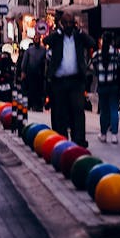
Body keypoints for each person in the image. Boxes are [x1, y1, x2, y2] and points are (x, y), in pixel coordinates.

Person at [45, 11, 95, 147]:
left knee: (77, 109)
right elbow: (46, 40)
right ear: (61, 24)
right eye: (65, 23)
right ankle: (60, 140)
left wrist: (80, 31)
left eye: (70, 23)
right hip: (59, 80)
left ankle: (78, 139)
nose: (68, 26)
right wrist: (58, 32)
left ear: (74, 24)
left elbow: (92, 43)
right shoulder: (57, 37)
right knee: (59, 111)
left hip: (76, 80)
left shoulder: (78, 37)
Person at [89, 31, 120, 144]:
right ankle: (114, 135)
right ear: (112, 41)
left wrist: (99, 72)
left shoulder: (97, 54)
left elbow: (91, 67)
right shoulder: (117, 54)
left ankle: (103, 134)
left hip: (102, 86)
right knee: (114, 109)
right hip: (114, 85)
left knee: (104, 111)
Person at [19, 36, 47, 110]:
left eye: (38, 39)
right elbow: (25, 61)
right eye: (35, 39)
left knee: (39, 90)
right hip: (30, 73)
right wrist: (23, 71)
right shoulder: (29, 50)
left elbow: (46, 62)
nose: (36, 40)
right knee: (31, 90)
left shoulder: (43, 50)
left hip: (40, 74)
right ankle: (30, 104)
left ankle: (38, 105)